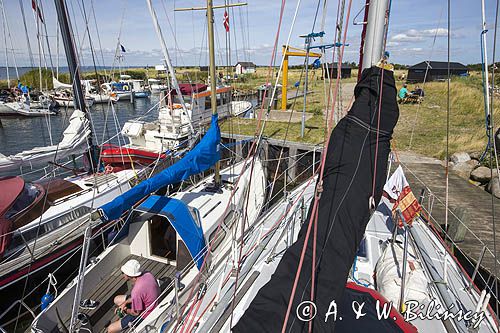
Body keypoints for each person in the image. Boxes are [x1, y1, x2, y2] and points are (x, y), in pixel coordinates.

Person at [107, 259, 160, 333]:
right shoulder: (148, 274)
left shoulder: (136, 290)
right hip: (153, 301)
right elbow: (140, 295)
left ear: (129, 275)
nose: (122, 275)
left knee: (110, 329)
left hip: (146, 313)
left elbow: (136, 313)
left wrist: (125, 309)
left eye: (123, 273)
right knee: (117, 299)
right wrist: (124, 303)